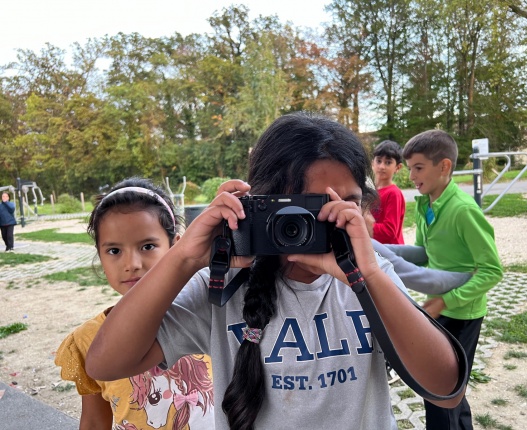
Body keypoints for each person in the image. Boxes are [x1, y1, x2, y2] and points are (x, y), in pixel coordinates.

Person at [86, 112, 466, 430]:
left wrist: (368, 276)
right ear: (259, 204)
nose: (322, 224)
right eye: (304, 209)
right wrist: (184, 257)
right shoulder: (222, 288)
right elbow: (106, 363)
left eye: (341, 207)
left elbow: (445, 387)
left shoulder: (372, 277)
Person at [54, 177, 215, 430]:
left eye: (148, 246)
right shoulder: (88, 342)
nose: (132, 264)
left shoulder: (212, 315)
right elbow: (95, 421)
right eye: (114, 251)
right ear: (99, 255)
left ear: (177, 246)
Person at [402, 129, 503, 430]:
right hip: (438, 308)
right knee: (447, 387)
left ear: (444, 167)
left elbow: (492, 270)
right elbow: (424, 253)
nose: (411, 176)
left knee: (440, 391)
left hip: (461, 313)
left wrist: (448, 300)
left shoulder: (463, 210)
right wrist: (380, 253)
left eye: (418, 168)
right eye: (409, 169)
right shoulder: (426, 204)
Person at [370, 140, 405, 244]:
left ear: (398, 167)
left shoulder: (393, 193)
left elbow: (389, 231)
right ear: (372, 163)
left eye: (388, 162)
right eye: (379, 161)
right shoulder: (369, 190)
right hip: (375, 249)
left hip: (390, 253)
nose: (382, 166)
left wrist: (365, 226)